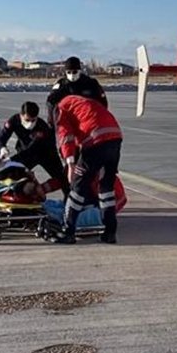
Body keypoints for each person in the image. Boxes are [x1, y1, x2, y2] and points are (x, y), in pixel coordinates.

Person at [54, 94, 123, 244]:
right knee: (106, 189)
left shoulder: (61, 108)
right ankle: (110, 232)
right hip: (115, 139)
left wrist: (70, 163)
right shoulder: (83, 102)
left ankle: (68, 231)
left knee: (78, 187)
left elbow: (66, 136)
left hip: (95, 141)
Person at [0, 101, 69, 196]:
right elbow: (1, 137)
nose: (30, 124)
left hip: (47, 155)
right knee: (13, 175)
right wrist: (2, 147)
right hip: (24, 152)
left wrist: (11, 160)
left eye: (33, 120)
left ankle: (69, 203)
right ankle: (12, 197)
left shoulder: (42, 128)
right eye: (27, 120)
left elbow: (32, 150)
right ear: (21, 115)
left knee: (62, 179)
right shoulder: (14, 121)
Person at [46, 56, 107, 125]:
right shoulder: (61, 85)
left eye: (74, 72)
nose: (72, 75)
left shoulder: (91, 83)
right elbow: (50, 102)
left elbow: (102, 102)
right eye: (69, 72)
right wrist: (52, 122)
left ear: (79, 71)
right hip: (67, 120)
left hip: (87, 119)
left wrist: (100, 119)